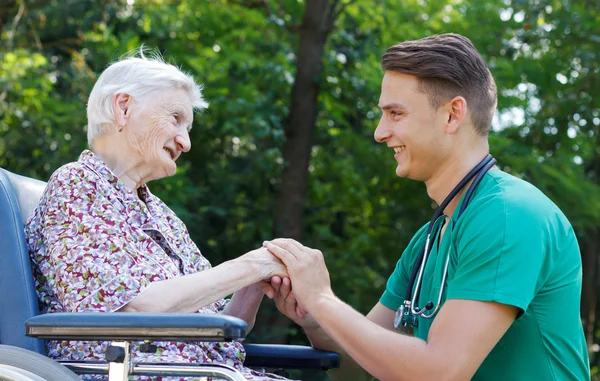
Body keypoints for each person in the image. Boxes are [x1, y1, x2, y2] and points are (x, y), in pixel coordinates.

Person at [263, 33, 591, 380]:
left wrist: (323, 298)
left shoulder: (510, 216)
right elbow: (358, 372)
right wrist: (314, 317)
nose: (379, 132)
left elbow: (440, 373)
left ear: (452, 115)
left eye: (396, 113)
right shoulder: (430, 239)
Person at [25, 52, 291, 381]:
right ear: (123, 108)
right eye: (175, 118)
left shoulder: (162, 216)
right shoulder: (77, 185)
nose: (186, 142)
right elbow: (136, 311)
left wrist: (252, 285)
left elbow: (216, 322)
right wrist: (252, 264)